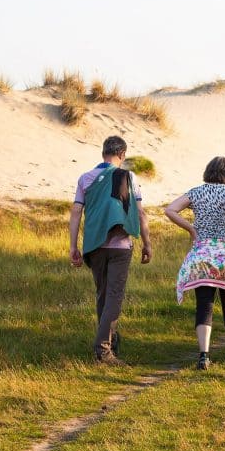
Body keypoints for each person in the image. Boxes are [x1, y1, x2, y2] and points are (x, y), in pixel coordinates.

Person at [69, 136, 152, 365]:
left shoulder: (85, 178)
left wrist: (73, 246)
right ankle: (103, 350)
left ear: (103, 153)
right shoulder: (128, 176)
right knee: (114, 297)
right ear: (122, 155)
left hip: (94, 245)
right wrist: (147, 243)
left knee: (103, 295)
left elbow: (76, 212)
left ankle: (110, 341)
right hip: (121, 245)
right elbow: (140, 213)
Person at [166, 157, 225, 370]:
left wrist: (191, 229)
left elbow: (170, 210)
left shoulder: (195, 192)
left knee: (204, 304)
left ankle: (204, 355)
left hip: (201, 255)